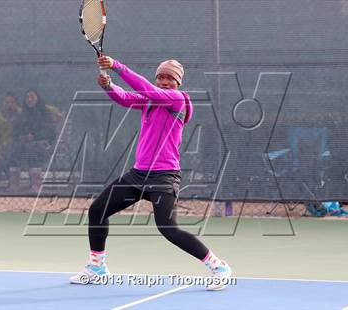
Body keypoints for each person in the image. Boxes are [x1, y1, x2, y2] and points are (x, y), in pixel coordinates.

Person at [69, 56, 231, 290]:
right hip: (138, 175)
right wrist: (108, 86)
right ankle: (97, 267)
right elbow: (125, 98)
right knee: (97, 210)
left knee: (168, 228)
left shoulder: (177, 100)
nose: (165, 82)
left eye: (170, 78)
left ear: (178, 83)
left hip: (164, 176)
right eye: (161, 77)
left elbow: (145, 88)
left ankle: (219, 267)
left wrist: (118, 67)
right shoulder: (149, 101)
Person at [11, 89, 57, 192]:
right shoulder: (22, 114)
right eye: (27, 97)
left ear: (38, 99)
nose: (29, 99)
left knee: (34, 148)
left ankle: (36, 184)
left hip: (44, 145)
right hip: (24, 145)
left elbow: (50, 132)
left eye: (32, 97)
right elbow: (15, 131)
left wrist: (34, 136)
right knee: (13, 147)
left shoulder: (45, 113)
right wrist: (21, 137)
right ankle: (14, 183)